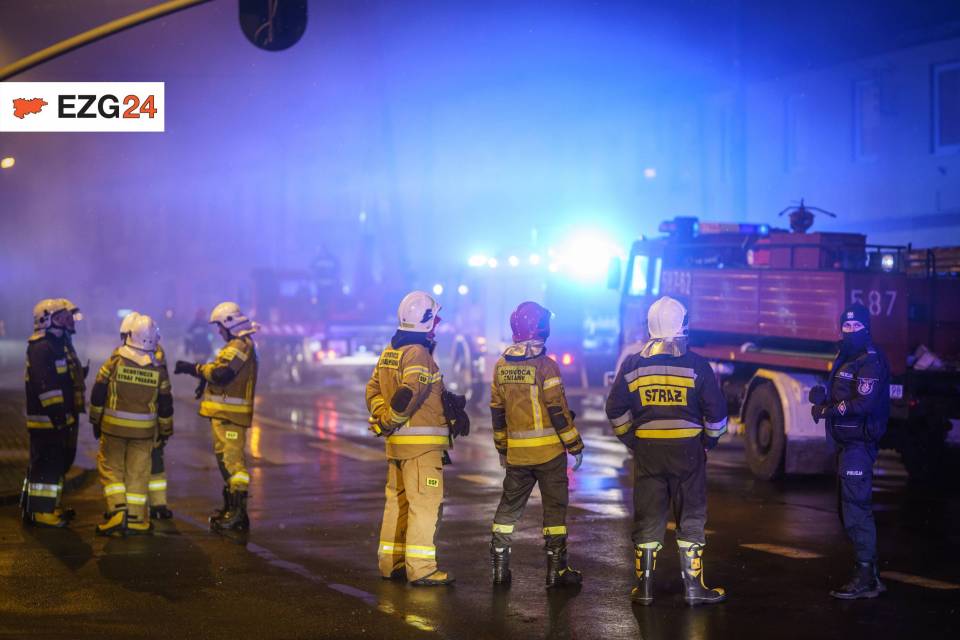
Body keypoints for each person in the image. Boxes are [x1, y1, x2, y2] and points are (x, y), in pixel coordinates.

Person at [605, 296, 728, 605]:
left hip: (648, 451)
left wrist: (632, 439)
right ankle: (694, 589)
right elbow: (716, 415)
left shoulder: (632, 364)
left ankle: (644, 589)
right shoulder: (697, 365)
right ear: (680, 325)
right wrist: (708, 442)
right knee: (691, 515)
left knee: (648, 516)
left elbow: (615, 409)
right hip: (688, 452)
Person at [488, 301, 585, 588]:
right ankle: (557, 571)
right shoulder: (546, 366)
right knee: (554, 510)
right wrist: (575, 445)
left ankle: (499, 568)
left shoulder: (501, 366)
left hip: (517, 456)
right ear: (543, 328)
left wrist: (502, 448)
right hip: (549, 455)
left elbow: (497, 413)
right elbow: (558, 411)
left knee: (509, 509)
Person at [366, 291, 454, 586]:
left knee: (398, 503)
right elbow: (409, 394)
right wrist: (388, 421)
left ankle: (391, 563)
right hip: (420, 449)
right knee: (425, 504)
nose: (437, 324)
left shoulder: (391, 350)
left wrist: (383, 416)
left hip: (397, 445)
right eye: (435, 319)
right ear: (425, 321)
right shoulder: (417, 353)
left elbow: (373, 390)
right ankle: (422, 568)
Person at [809, 303, 890, 599]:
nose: (851, 330)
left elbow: (864, 403)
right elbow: (842, 391)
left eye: (856, 326)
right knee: (847, 511)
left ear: (866, 328)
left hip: (859, 444)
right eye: (846, 326)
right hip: (845, 445)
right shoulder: (845, 355)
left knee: (856, 510)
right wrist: (823, 397)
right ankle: (871, 577)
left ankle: (865, 577)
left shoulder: (870, 360)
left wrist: (829, 410)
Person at [175, 302, 259, 532]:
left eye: (220, 326)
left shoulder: (240, 345)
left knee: (233, 464)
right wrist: (205, 378)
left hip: (231, 417)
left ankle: (238, 515)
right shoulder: (238, 345)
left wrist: (195, 369)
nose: (219, 331)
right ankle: (231, 510)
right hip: (225, 416)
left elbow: (222, 373)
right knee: (225, 462)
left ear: (230, 324)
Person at [89, 314, 173, 535]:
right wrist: (165, 430)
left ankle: (118, 512)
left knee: (111, 469)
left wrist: (95, 420)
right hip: (143, 433)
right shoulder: (158, 368)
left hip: (113, 429)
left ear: (129, 335)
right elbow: (166, 403)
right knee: (138, 473)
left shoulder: (115, 361)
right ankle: (136, 519)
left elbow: (98, 392)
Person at [22, 299, 83, 527]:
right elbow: (46, 386)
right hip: (46, 421)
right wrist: (58, 416)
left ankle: (48, 506)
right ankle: (41, 511)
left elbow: (59, 378)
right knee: (46, 467)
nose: (67, 321)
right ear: (45, 320)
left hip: (57, 419)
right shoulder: (41, 347)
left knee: (54, 466)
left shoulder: (56, 344)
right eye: (61, 317)